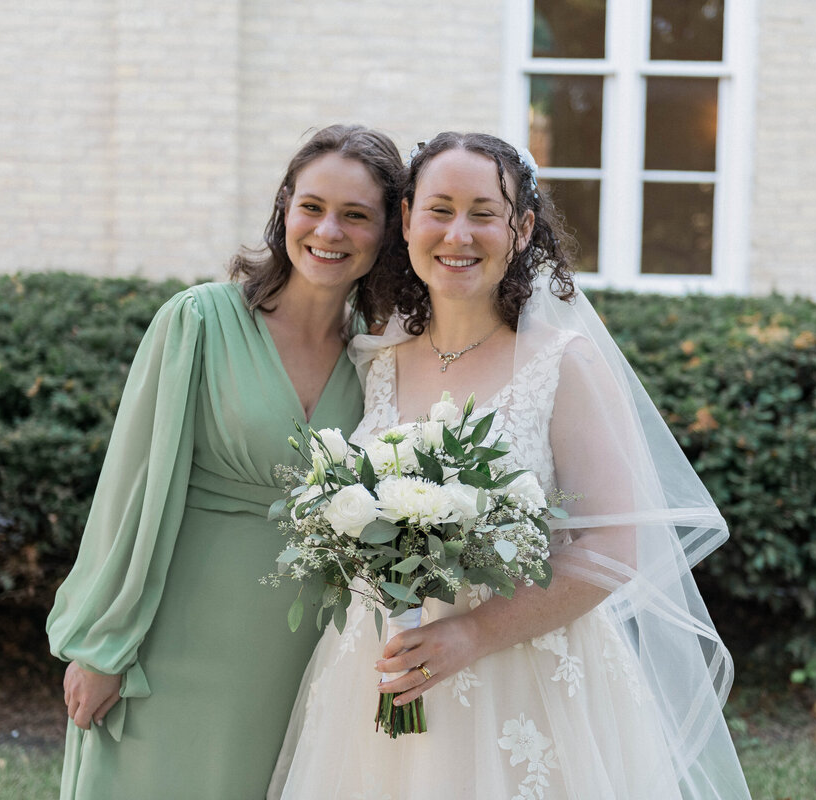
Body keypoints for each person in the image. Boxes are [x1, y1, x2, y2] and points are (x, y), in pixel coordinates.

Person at [269, 132, 751, 799]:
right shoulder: (373, 363)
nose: (458, 233)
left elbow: (614, 548)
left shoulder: (563, 364)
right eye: (439, 209)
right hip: (382, 671)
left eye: (483, 213)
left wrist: (472, 634)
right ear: (407, 220)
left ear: (520, 229)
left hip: (529, 681)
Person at [45, 124, 406, 799]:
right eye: (312, 206)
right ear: (284, 209)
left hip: (301, 651)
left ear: (386, 233)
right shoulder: (199, 321)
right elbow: (134, 493)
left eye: (356, 215)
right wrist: (101, 643)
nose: (328, 229)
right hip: (174, 637)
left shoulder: (377, 363)